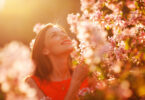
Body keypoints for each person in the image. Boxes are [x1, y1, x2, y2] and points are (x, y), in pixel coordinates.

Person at [25, 23, 89, 100]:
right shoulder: (32, 84)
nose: (65, 36)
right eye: (54, 35)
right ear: (44, 50)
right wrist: (76, 83)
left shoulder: (85, 73)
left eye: (63, 32)